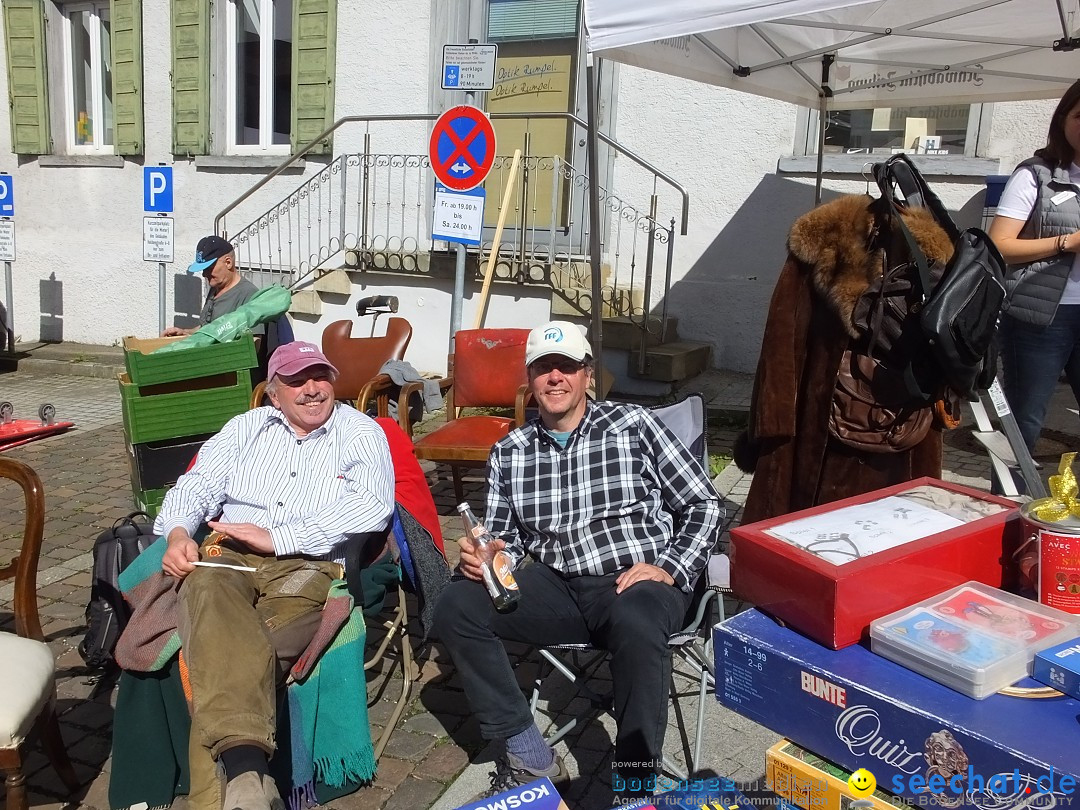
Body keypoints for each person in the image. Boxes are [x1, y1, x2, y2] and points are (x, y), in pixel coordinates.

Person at [433, 320, 723, 799]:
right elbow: (506, 537)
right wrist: (488, 553)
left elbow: (703, 504)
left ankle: (634, 786)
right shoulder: (510, 452)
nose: (554, 378)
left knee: (636, 619)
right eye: (543, 368)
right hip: (558, 585)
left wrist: (671, 566)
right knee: (456, 605)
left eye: (566, 367)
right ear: (529, 379)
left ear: (588, 375)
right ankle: (530, 756)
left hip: (635, 578)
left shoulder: (634, 425)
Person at [155, 340, 395, 810]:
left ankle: (236, 782)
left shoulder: (360, 431)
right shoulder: (246, 427)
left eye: (320, 376)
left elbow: (372, 503)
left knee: (223, 649)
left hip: (308, 562)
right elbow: (198, 484)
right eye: (296, 380)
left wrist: (280, 536)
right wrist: (178, 533)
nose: (312, 389)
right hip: (229, 552)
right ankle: (250, 779)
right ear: (273, 393)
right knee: (205, 586)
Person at [990, 78, 1080, 456]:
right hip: (1041, 318)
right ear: (1063, 120)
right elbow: (999, 245)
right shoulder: (1036, 175)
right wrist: (1067, 243)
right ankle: (1010, 505)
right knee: (1024, 419)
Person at [162, 234, 262, 338]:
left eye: (209, 268)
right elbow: (207, 329)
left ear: (228, 262)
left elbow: (255, 342)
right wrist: (185, 333)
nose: (204, 274)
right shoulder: (215, 288)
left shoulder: (249, 294)